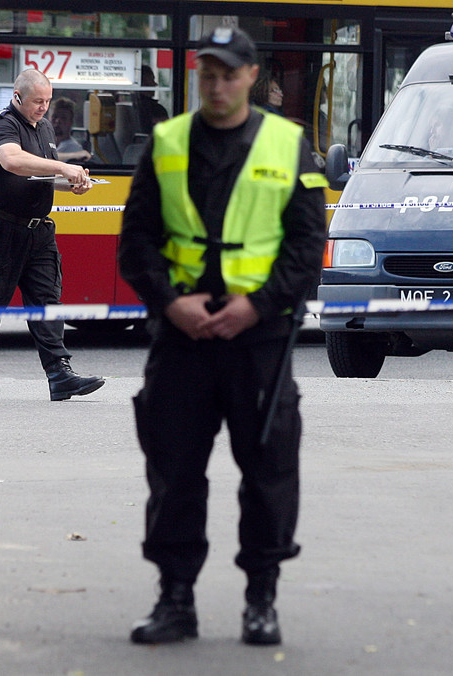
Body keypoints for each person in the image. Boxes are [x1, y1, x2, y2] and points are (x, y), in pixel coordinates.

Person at [118, 26, 327, 646]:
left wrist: (257, 306)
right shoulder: (166, 142)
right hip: (182, 337)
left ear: (251, 78)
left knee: (268, 470)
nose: (215, 83)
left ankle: (261, 598)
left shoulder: (290, 145)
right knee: (174, 470)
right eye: (206, 73)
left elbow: (307, 247)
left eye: (227, 73)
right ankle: (174, 598)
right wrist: (170, 303)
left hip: (258, 339)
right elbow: (136, 242)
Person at [0, 69, 105, 402]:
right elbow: (12, 161)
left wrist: (72, 185)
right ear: (17, 97)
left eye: (47, 101)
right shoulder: (0, 125)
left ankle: (59, 373)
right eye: (37, 101)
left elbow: (41, 177)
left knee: (48, 300)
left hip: (38, 230)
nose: (43, 108)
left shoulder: (45, 127)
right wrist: (64, 167)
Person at [49, 97, 91, 163]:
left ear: (70, 122)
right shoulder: (40, 142)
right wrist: (73, 155)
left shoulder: (75, 148)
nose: (57, 121)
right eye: (55, 116)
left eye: (63, 118)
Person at [134, 65, 169, 135]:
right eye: (152, 80)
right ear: (143, 83)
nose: (155, 84)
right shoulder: (157, 110)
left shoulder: (133, 106)